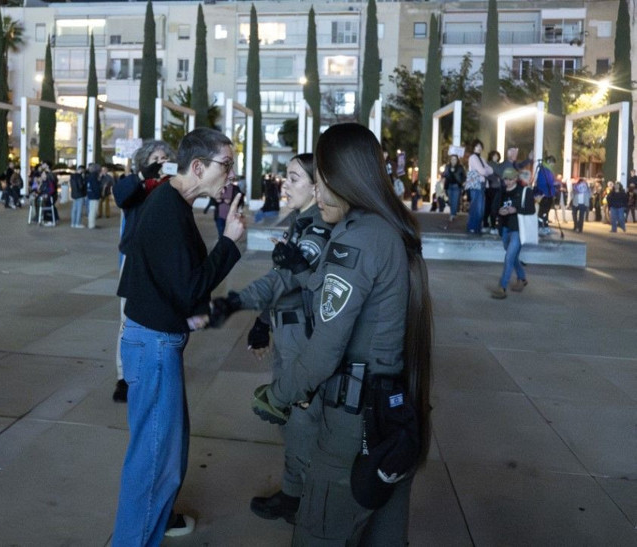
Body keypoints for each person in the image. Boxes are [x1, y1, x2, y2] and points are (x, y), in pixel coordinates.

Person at [252, 123, 432, 545]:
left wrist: (277, 396)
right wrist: (307, 272)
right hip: (387, 415)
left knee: (319, 533)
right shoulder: (387, 228)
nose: (317, 193)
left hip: (353, 427)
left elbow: (325, 350)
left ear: (345, 179)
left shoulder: (361, 238)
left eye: (322, 181)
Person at [112, 128, 246, 545]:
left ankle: (150, 525)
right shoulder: (169, 207)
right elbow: (187, 284)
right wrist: (228, 244)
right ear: (199, 166)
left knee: (164, 455)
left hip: (151, 338)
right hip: (153, 346)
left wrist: (185, 313)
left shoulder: (171, 200)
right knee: (154, 465)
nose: (231, 173)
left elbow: (148, 270)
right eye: (227, 164)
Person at [210, 153, 333, 525]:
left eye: (294, 178)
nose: (285, 183)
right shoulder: (300, 223)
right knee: (291, 419)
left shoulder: (317, 229)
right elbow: (283, 278)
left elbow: (284, 280)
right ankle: (297, 494)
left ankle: (303, 500)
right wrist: (263, 322)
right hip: (290, 332)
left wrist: (238, 302)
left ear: (316, 186)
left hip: (304, 339)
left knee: (300, 420)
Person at [111, 140, 176, 403]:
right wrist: (141, 177)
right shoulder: (136, 186)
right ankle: (123, 376)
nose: (158, 162)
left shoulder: (172, 187)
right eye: (153, 158)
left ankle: (155, 367)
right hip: (136, 260)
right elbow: (120, 195)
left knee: (160, 316)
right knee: (128, 319)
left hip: (163, 261)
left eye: (163, 158)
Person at [490, 167, 536, 299]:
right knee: (513, 256)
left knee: (509, 257)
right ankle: (522, 278)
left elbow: (531, 210)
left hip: (518, 229)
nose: (507, 182)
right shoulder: (502, 192)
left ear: (516, 179)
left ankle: (502, 287)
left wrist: (514, 210)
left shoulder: (524, 192)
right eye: (505, 179)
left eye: (510, 179)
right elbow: (494, 208)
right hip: (505, 228)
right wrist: (499, 211)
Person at [465, 139, 493, 235]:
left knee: (480, 208)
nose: (479, 148)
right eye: (477, 146)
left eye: (480, 146)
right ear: (473, 147)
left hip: (482, 184)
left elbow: (491, 170)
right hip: (476, 184)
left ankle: (476, 227)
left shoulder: (482, 158)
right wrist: (486, 170)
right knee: (476, 207)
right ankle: (472, 227)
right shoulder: (473, 157)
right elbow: (483, 171)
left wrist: (486, 170)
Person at [534, 156, 557, 233]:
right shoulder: (544, 170)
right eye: (552, 164)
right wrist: (543, 193)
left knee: (546, 211)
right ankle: (540, 226)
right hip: (545, 194)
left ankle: (545, 225)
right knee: (543, 211)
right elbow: (542, 183)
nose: (553, 165)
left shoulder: (548, 171)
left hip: (549, 194)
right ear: (549, 162)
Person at [442, 154, 465, 224]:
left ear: (457, 160)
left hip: (456, 186)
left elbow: (464, 176)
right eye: (452, 159)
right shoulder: (447, 166)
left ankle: (452, 215)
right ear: (450, 160)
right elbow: (444, 175)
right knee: (451, 201)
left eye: (455, 159)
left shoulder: (460, 167)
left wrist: (462, 183)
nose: (453, 161)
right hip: (448, 186)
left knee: (455, 201)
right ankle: (453, 213)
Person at [485, 150, 503, 234]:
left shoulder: (488, 164)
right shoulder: (493, 165)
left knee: (488, 207)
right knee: (494, 207)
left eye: (497, 156)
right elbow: (500, 173)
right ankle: (493, 226)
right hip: (495, 188)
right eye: (494, 156)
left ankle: (486, 225)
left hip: (489, 188)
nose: (496, 157)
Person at [85, 164, 102, 229]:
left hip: (90, 194)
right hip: (94, 196)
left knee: (92, 210)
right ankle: (91, 225)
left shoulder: (90, 176)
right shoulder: (94, 176)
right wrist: (99, 194)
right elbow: (96, 187)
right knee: (93, 210)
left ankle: (91, 224)